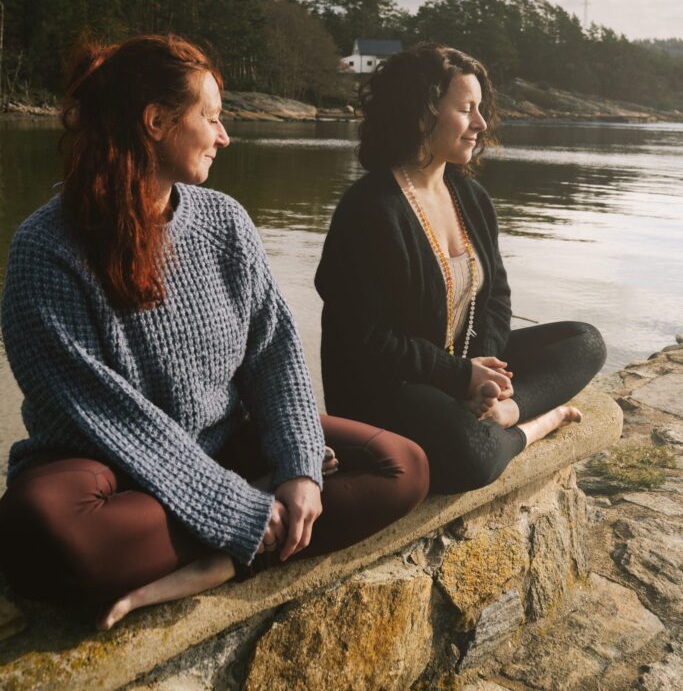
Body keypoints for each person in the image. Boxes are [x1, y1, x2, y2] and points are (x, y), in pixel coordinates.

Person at [0, 35, 429, 630]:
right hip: (104, 471)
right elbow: (96, 412)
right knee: (42, 532)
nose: (225, 136)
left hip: (222, 443)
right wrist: (237, 507)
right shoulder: (45, 250)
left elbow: (274, 352)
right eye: (213, 118)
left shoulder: (225, 221)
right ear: (157, 121)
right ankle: (246, 533)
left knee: (400, 464)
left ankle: (220, 563)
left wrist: (300, 468)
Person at [315, 43, 606, 495]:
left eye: (480, 109)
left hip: (461, 368)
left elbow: (498, 300)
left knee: (585, 341)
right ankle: (533, 427)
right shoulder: (370, 209)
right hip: (390, 387)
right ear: (421, 114)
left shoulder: (471, 198)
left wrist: (486, 376)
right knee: (472, 454)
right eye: (466, 109)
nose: (481, 124)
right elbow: (367, 339)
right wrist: (459, 376)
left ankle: (509, 414)